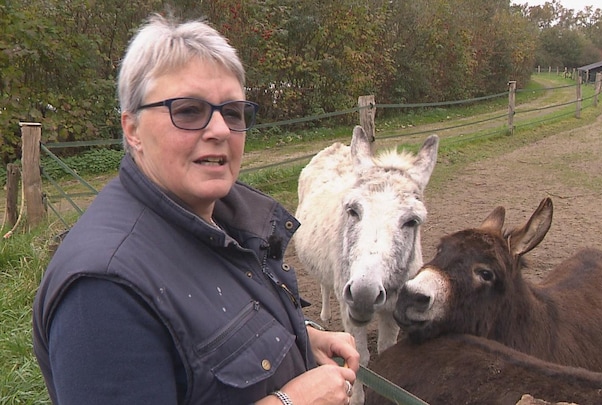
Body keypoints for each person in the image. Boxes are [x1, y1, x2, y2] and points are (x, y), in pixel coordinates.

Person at [32, 13, 359, 405]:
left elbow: (216, 321)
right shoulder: (103, 292)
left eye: (233, 112)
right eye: (188, 110)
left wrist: (298, 336)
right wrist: (290, 403)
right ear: (132, 129)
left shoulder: (215, 216)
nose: (220, 130)